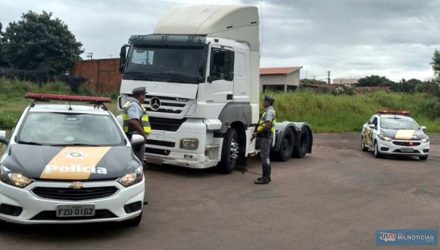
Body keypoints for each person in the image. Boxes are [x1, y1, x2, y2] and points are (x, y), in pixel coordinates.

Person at [251, 95, 276, 184]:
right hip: (266, 136)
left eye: (264, 101)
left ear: (268, 102)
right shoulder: (269, 111)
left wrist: (257, 133)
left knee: (264, 156)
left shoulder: (269, 112)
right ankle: (266, 176)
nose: (263, 102)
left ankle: (265, 178)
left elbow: (268, 126)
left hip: (266, 136)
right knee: (265, 156)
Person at [122, 87, 151, 162]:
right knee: (137, 162)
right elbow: (133, 121)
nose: (145, 97)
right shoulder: (134, 105)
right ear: (140, 96)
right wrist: (143, 134)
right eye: (144, 95)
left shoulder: (131, 103)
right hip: (135, 138)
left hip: (132, 136)